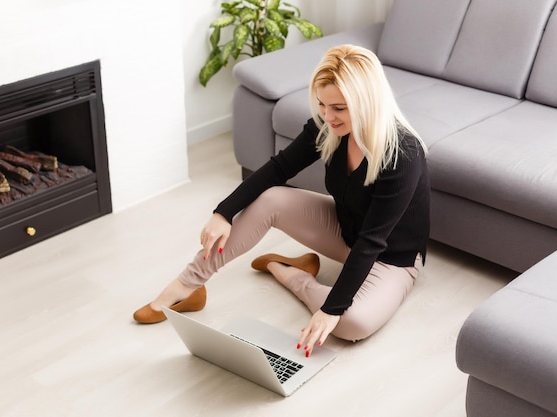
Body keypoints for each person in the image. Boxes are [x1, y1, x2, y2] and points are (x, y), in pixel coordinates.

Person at [133, 44, 429, 358]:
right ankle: (187, 287)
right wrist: (224, 212)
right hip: (345, 231)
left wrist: (331, 310)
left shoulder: (404, 155)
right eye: (321, 104)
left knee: (350, 323)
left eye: (339, 108)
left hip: (390, 258)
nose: (327, 116)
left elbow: (372, 241)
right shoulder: (329, 126)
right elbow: (279, 168)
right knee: (271, 198)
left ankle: (290, 273)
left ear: (367, 102)